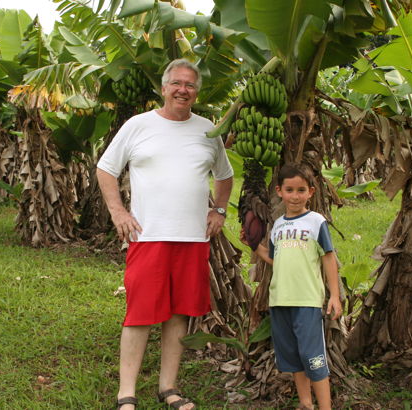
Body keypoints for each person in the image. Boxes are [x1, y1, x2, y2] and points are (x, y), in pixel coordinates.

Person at [96, 58, 234, 410]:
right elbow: (106, 169)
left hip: (192, 238)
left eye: (189, 85)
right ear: (163, 88)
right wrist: (118, 212)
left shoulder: (208, 130)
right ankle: (126, 393)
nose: (182, 90)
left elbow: (225, 175)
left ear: (197, 92)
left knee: (180, 313)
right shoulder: (138, 126)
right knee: (140, 312)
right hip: (149, 235)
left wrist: (219, 209)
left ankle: (168, 388)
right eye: (176, 83)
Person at [241, 163, 342, 410]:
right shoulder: (278, 226)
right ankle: (306, 404)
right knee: (294, 356)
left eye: (300, 190)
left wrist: (335, 296)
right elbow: (275, 259)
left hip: (307, 300)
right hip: (280, 301)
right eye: (289, 190)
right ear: (279, 191)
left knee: (314, 358)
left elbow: (328, 256)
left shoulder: (316, 221)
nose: (295, 196)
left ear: (311, 192)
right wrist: (254, 246)